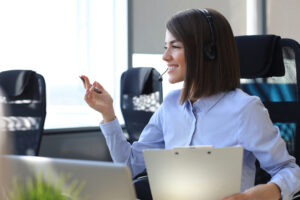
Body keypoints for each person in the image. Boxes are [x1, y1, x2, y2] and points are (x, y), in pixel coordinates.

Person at [82, 8, 300, 200]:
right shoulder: (170, 106)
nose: (165, 56)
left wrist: (264, 193)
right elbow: (129, 166)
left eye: (174, 46)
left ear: (208, 52)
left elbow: (289, 170)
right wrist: (108, 114)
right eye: (165, 46)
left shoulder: (244, 109)